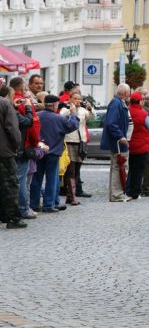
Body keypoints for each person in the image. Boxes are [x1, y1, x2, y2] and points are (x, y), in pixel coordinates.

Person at [31, 94, 79, 213]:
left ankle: (34, 204)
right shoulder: (58, 118)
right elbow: (72, 126)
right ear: (54, 105)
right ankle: (49, 205)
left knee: (36, 179)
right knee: (52, 179)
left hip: (38, 151)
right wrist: (73, 114)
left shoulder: (37, 115)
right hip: (53, 153)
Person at [8, 77, 37, 219]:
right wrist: (28, 106)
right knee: (22, 179)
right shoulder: (20, 104)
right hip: (21, 145)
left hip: (12, 146)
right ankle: (23, 208)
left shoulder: (12, 103)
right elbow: (29, 123)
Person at [59, 91, 93, 205]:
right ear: (70, 99)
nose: (77, 101)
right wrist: (71, 110)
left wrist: (90, 109)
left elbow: (92, 117)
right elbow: (61, 117)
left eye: (79, 99)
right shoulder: (65, 109)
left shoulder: (83, 111)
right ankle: (71, 196)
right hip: (69, 142)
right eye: (75, 98)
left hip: (80, 142)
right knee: (70, 170)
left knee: (77, 170)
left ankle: (71, 195)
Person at [0, 84, 26, 228]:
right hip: (4, 151)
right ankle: (12, 218)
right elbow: (12, 128)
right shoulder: (5, 103)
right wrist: (16, 145)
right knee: (10, 184)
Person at [100, 83, 132, 202]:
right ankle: (116, 195)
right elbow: (111, 123)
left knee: (118, 166)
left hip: (119, 141)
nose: (130, 94)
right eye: (129, 92)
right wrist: (120, 136)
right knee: (119, 167)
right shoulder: (116, 103)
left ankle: (116, 193)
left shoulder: (119, 102)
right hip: (118, 142)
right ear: (124, 93)